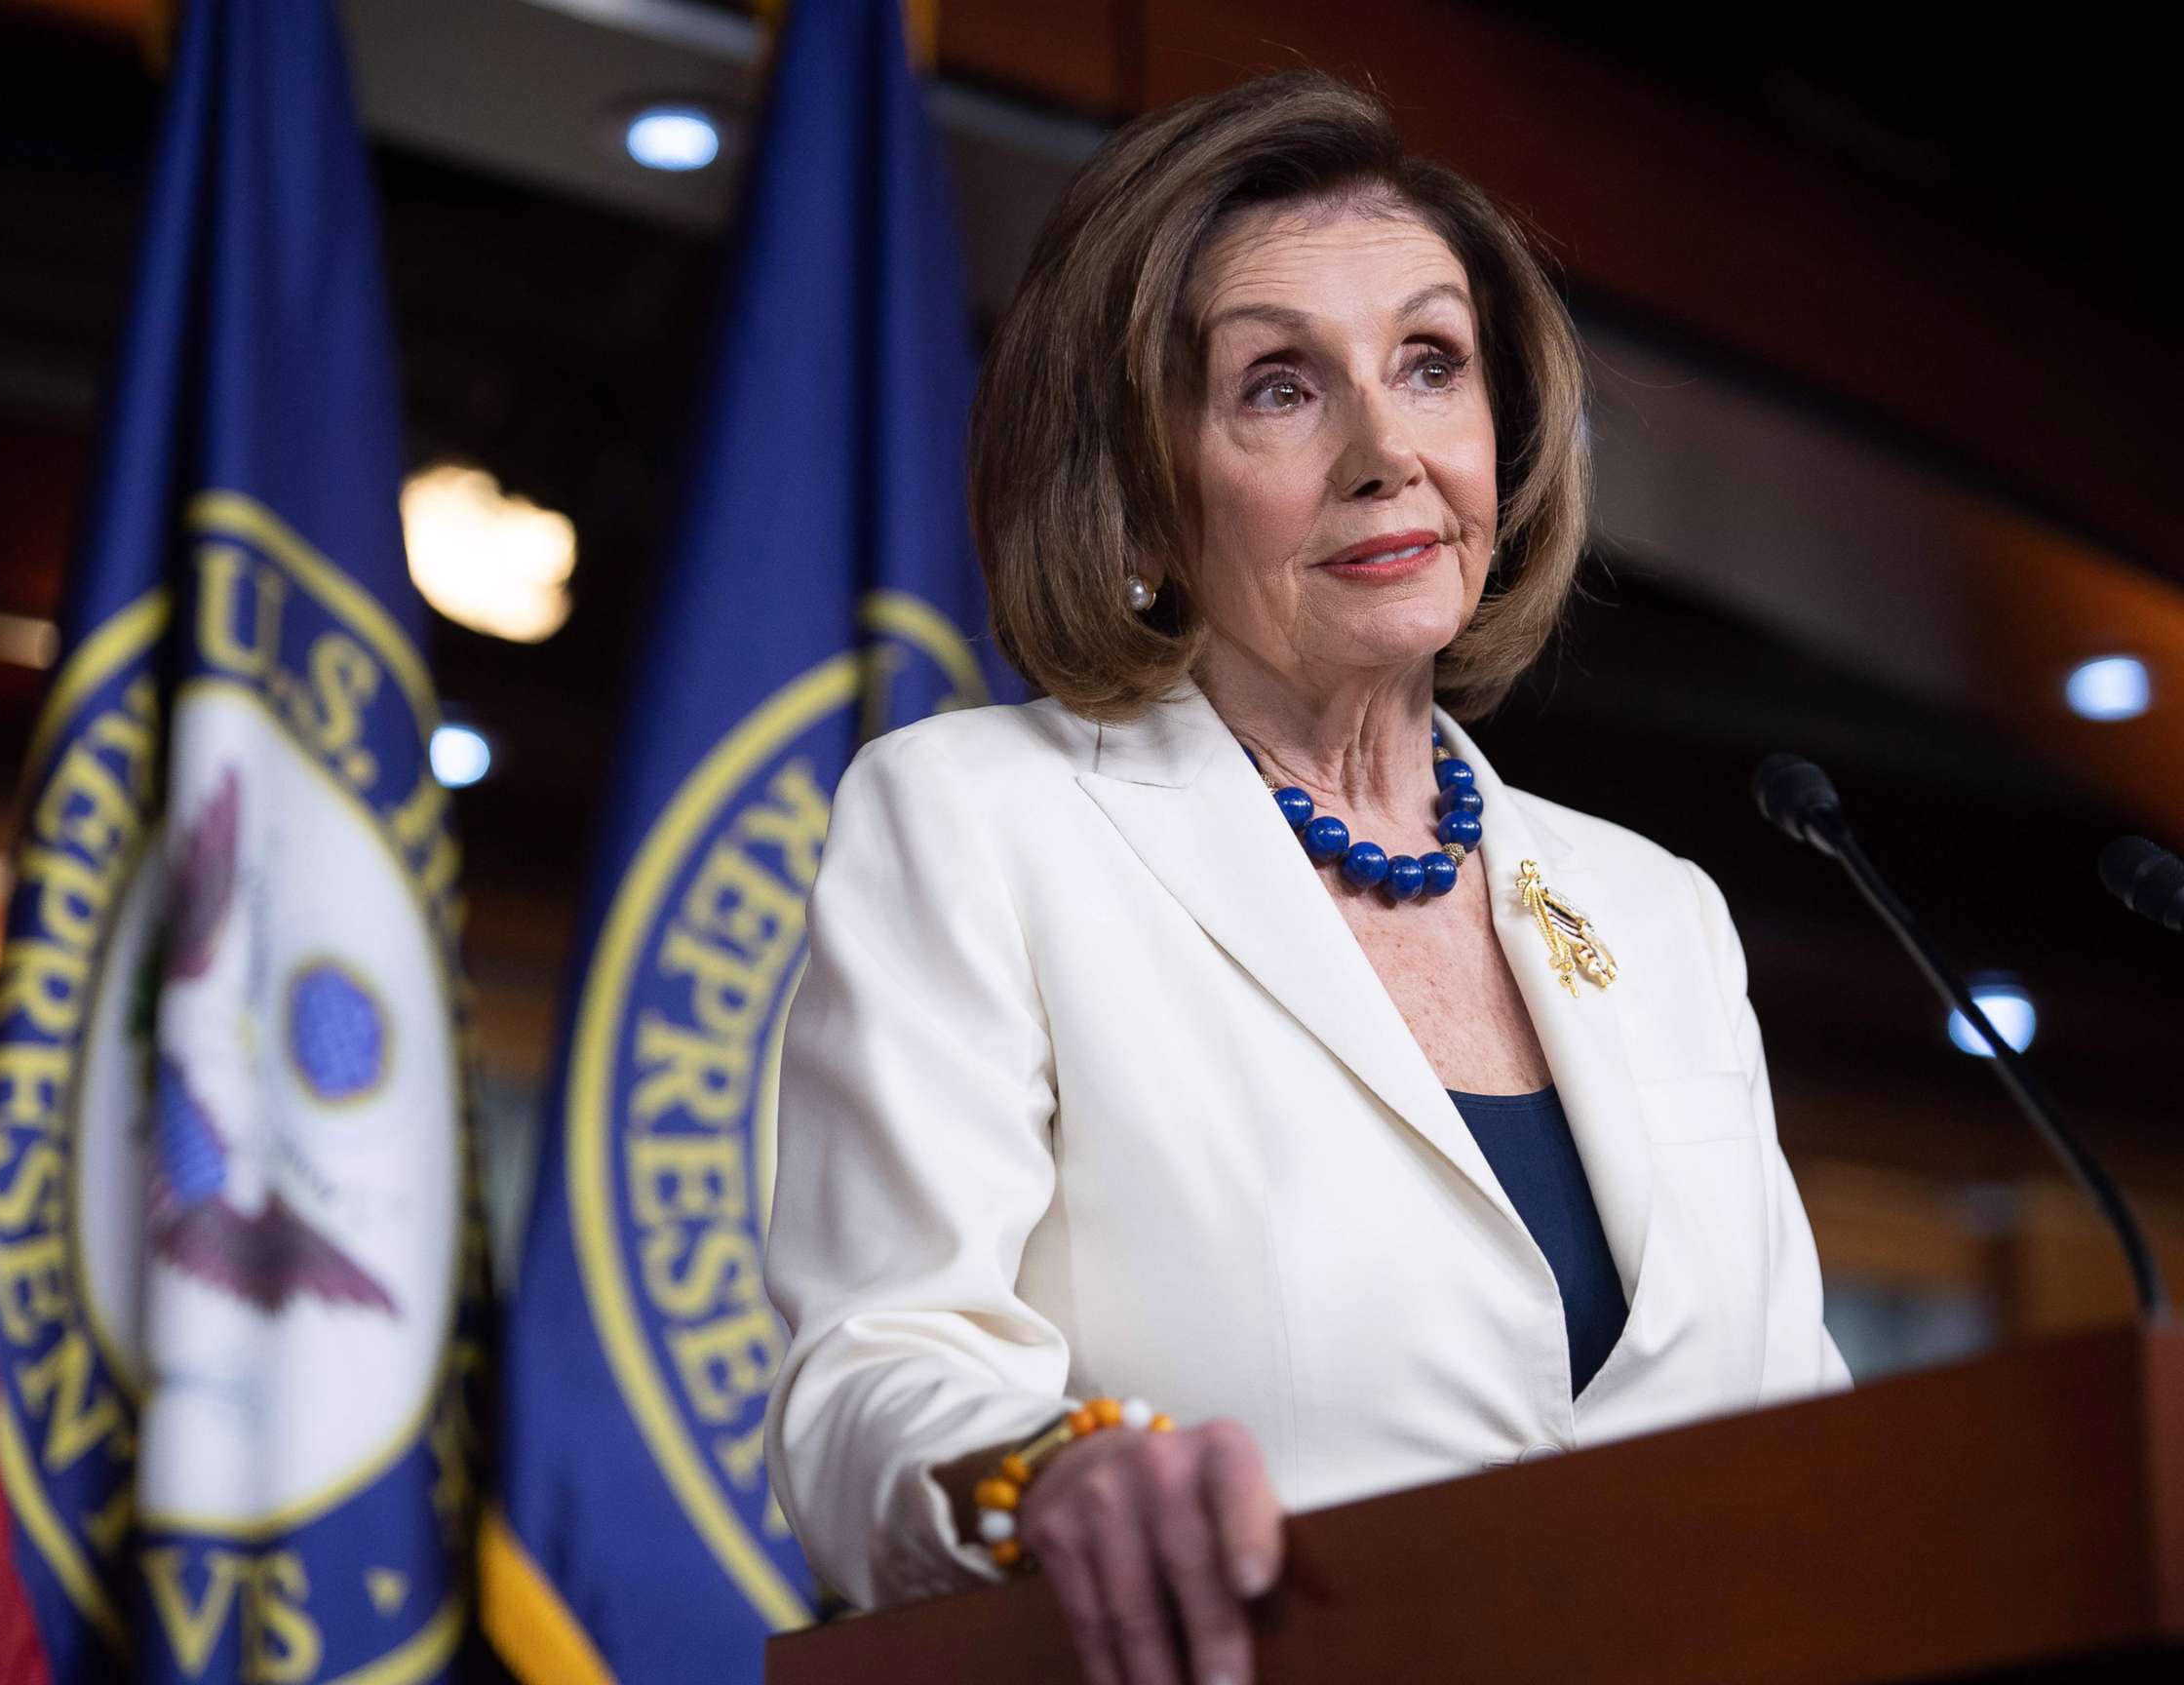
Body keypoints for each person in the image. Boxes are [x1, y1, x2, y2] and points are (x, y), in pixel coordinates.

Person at [762, 68, 1851, 1685]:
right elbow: (872, 1373)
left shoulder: (1657, 912)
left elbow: (1816, 1454)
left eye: (1431, 363)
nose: (1384, 451)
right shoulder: (982, 822)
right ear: (1139, 480)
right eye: (1278, 387)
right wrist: (1048, 1473)